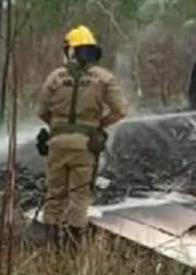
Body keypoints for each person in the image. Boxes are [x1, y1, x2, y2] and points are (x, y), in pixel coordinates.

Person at [35, 25, 128, 249]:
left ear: (70, 50)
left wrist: (59, 127)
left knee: (55, 195)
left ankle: (50, 247)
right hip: (85, 146)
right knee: (79, 196)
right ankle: (73, 248)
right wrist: (97, 126)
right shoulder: (104, 78)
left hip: (57, 144)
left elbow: (40, 111)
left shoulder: (55, 77)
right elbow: (121, 110)